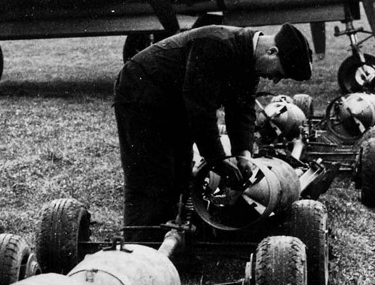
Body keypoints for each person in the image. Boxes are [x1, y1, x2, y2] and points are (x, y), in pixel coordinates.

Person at [112, 23, 312, 229]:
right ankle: (140, 245)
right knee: (150, 177)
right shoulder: (216, 45)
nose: (275, 81)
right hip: (142, 95)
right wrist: (217, 159)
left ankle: (169, 234)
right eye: (279, 73)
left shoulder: (249, 60)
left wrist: (243, 155)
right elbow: (200, 108)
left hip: (175, 102)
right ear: (272, 51)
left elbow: (242, 111)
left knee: (180, 173)